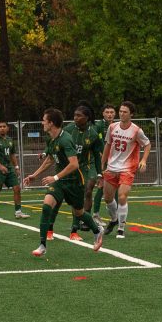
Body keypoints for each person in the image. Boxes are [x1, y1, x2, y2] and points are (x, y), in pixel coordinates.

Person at [24, 108, 105, 256]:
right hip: (60, 181)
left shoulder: (65, 139)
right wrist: (35, 175)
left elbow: (74, 164)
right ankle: (42, 245)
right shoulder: (51, 138)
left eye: (44, 120)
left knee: (79, 213)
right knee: (47, 205)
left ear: (51, 123)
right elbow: (50, 159)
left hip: (75, 182)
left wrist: (55, 177)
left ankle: (97, 230)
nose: (42, 122)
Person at [100, 101, 151, 239]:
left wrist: (143, 160)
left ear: (131, 114)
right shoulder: (112, 127)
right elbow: (107, 146)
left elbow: (147, 145)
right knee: (108, 198)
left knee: (122, 196)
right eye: (120, 111)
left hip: (127, 168)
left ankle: (121, 228)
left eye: (125, 112)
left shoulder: (136, 130)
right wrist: (102, 165)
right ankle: (114, 219)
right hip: (111, 167)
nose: (121, 114)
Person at [64, 103, 105, 240]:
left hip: (88, 166)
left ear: (87, 118)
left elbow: (98, 155)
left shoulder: (93, 134)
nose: (75, 118)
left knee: (88, 190)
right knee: (76, 196)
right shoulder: (69, 129)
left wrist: (100, 174)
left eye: (78, 115)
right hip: (72, 166)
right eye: (75, 115)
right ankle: (83, 219)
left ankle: (82, 221)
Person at [0, 120, 28, 221]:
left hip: (9, 168)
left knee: (17, 188)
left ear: (8, 128)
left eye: (4, 126)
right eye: (0, 126)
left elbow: (12, 154)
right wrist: (0, 166)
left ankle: (18, 212)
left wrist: (17, 167)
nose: (2, 128)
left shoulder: (10, 140)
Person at [91, 104, 117, 209]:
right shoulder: (98, 126)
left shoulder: (117, 126)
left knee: (116, 185)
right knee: (102, 186)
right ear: (103, 114)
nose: (109, 114)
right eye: (107, 112)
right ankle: (96, 213)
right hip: (102, 161)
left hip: (115, 160)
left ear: (115, 114)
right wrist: (99, 153)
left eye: (111, 112)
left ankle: (117, 211)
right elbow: (93, 141)